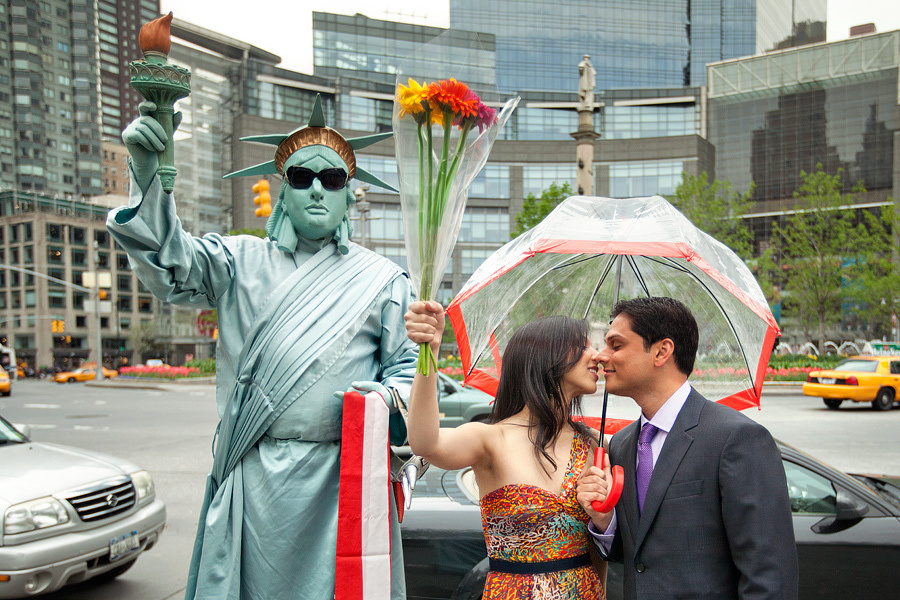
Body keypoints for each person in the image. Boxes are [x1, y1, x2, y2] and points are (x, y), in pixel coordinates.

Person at [107, 96, 418, 600]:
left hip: (342, 487)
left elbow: (407, 368)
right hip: (254, 484)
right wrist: (148, 178)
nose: (317, 189)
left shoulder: (384, 280)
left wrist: (379, 399)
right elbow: (170, 261)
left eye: (332, 179)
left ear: (349, 193)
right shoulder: (235, 261)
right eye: (301, 177)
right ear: (282, 191)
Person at [575, 297, 798, 600]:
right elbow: (640, 558)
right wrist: (604, 520)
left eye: (616, 345)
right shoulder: (623, 444)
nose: (601, 356)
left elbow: (769, 575)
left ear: (662, 351)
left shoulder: (736, 439)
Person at [405, 300, 607, 600]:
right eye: (583, 346)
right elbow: (426, 443)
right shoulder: (491, 439)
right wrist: (430, 350)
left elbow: (597, 547)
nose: (598, 355)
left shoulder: (595, 444)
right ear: (544, 356)